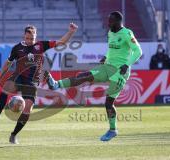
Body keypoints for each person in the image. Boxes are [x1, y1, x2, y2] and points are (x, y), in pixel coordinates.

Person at [45, 11, 142, 141]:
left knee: (108, 103)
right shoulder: (111, 33)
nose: (108, 24)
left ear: (118, 22)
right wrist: (106, 57)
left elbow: (138, 51)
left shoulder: (127, 33)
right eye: (108, 21)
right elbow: (111, 49)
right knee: (84, 76)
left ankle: (113, 130)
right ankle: (56, 84)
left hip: (120, 72)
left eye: (111, 21)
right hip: (107, 67)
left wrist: (126, 64)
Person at [0, 23, 78, 144]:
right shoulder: (17, 48)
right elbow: (8, 63)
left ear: (35, 37)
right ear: (24, 36)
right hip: (19, 76)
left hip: (32, 81)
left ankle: (13, 135)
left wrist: (71, 32)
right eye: (27, 38)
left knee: (27, 109)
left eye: (31, 39)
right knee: (6, 88)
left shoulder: (42, 45)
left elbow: (61, 43)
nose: (29, 41)